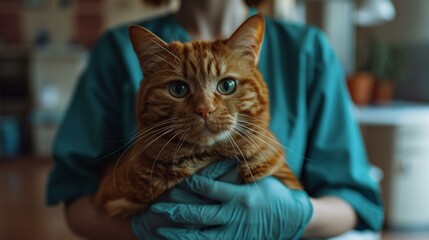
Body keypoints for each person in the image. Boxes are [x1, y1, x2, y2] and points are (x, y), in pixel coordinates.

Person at [45, 0, 383, 239]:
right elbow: (76, 201)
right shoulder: (117, 49)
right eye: (179, 88)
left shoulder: (307, 48)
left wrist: (294, 215)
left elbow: (356, 205)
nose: (204, 108)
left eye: (227, 85)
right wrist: (142, 229)